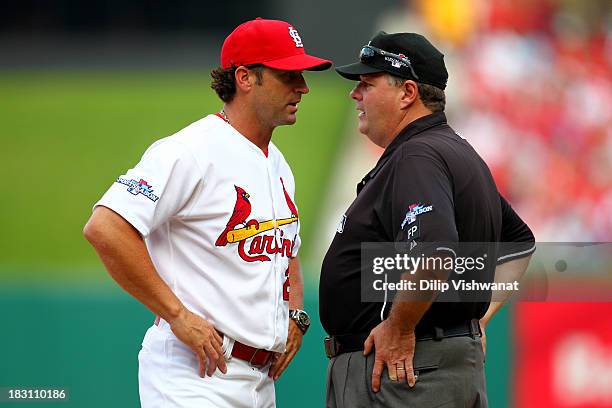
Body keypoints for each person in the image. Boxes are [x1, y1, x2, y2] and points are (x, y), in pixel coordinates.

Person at [83, 18, 330, 408]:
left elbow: (288, 249)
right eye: (288, 75)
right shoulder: (191, 150)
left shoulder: (279, 164)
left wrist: (296, 314)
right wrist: (177, 315)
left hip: (259, 383)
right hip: (192, 376)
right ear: (246, 78)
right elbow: (105, 227)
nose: (303, 86)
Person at [319, 31, 535, 407]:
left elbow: (434, 252)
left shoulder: (417, 156)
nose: (355, 94)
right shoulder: (454, 151)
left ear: (407, 93)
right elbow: (519, 244)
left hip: (405, 372)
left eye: (367, 84)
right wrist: (478, 319)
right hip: (433, 365)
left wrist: (399, 327)